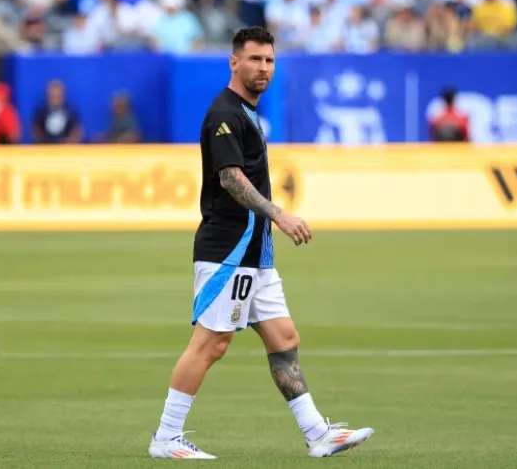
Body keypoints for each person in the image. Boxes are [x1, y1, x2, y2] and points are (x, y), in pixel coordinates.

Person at [148, 27, 374, 460]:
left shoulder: (247, 113)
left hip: (256, 252)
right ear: (234, 62)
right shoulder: (224, 114)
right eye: (254, 59)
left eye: (269, 60)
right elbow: (230, 179)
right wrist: (279, 214)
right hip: (228, 250)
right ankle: (166, 437)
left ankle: (317, 434)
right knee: (211, 343)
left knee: (284, 336)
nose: (264, 68)